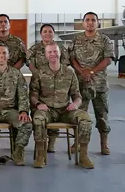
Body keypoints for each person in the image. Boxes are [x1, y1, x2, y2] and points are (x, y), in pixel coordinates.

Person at [32, 43, 94, 169]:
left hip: (66, 110)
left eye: (55, 51)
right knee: (38, 119)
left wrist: (76, 104)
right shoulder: (39, 73)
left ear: (60, 53)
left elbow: (77, 95)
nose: (53, 54)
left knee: (85, 119)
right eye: (49, 52)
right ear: (45, 55)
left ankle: (83, 156)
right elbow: (33, 94)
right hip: (47, 110)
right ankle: (40, 156)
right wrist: (38, 104)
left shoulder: (69, 73)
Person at [70, 12, 114, 155]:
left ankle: (104, 144)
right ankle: (77, 143)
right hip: (81, 84)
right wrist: (82, 71)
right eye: (87, 20)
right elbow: (71, 59)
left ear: (97, 23)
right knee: (80, 115)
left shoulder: (105, 40)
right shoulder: (76, 40)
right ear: (83, 23)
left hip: (99, 83)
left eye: (93, 20)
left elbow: (108, 59)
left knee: (102, 115)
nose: (90, 22)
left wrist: (92, 72)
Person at [27, 23, 70, 152]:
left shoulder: (60, 48)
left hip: (58, 84)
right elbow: (30, 64)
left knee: (56, 108)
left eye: (50, 31)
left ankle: (51, 143)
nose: (47, 34)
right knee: (38, 112)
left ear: (53, 33)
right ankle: (41, 143)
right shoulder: (34, 49)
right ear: (41, 34)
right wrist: (39, 76)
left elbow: (65, 64)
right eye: (45, 31)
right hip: (39, 84)